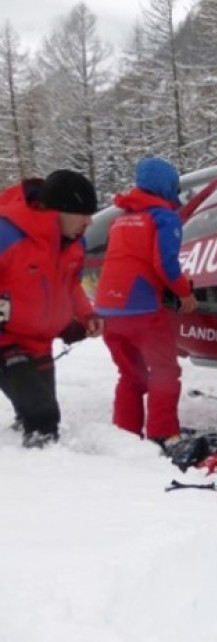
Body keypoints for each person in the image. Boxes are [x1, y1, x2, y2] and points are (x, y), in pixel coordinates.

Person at [95, 157, 197, 450]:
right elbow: (164, 263)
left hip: (108, 309)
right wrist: (184, 293)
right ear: (167, 186)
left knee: (130, 374)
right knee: (164, 372)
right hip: (142, 309)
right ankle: (162, 436)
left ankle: (125, 436)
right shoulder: (163, 217)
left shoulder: (121, 219)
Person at [0, 170, 103, 448]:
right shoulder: (7, 234)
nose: (90, 221)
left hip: (39, 342)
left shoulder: (74, 243)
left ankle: (28, 456)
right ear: (60, 211)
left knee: (39, 411)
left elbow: (70, 285)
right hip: (5, 340)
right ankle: (45, 476)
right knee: (43, 416)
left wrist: (86, 315)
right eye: (84, 214)